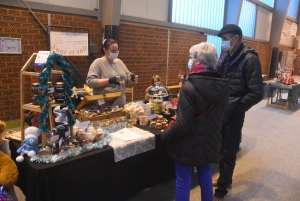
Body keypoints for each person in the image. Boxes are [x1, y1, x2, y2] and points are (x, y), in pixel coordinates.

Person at [161, 42, 229, 201]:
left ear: (198, 61)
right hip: (210, 140)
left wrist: (164, 136)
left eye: (191, 57)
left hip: (188, 143)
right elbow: (223, 117)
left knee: (183, 180)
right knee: (205, 175)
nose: (189, 60)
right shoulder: (224, 85)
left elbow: (182, 125)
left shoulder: (190, 85)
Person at [213, 24, 264, 201]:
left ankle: (221, 191)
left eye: (225, 39)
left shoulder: (250, 58)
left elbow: (257, 92)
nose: (223, 43)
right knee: (220, 147)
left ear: (235, 38)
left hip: (234, 112)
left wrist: (237, 107)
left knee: (229, 150)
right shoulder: (226, 55)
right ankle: (224, 179)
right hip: (221, 109)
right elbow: (217, 77)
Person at [86, 38, 138, 106]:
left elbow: (127, 82)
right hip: (105, 104)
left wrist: (131, 79)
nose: (116, 52)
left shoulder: (119, 62)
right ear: (105, 50)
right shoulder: (98, 63)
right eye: (113, 50)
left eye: (117, 50)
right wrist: (109, 80)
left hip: (120, 102)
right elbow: (90, 82)